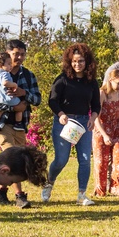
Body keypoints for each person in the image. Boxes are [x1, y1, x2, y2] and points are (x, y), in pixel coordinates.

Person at [43, 43, 101, 206]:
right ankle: (49, 182)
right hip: (65, 122)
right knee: (62, 159)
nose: (78, 64)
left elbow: (96, 105)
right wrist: (61, 115)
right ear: (70, 61)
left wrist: (93, 118)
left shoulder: (91, 82)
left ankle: (82, 194)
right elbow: (52, 100)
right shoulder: (62, 79)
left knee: (84, 160)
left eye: (81, 61)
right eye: (75, 61)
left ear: (87, 62)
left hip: (84, 123)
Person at [0, 39, 42, 209]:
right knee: (11, 155)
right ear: (7, 54)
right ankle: (20, 196)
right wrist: (15, 106)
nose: (18, 57)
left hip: (20, 124)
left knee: (14, 160)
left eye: (22, 54)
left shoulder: (28, 75)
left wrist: (23, 93)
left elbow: (38, 99)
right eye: (15, 54)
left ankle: (1, 192)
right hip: (1, 124)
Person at [92, 68, 119, 197]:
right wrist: (104, 135)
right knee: (101, 163)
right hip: (101, 130)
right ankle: (100, 191)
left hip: (115, 130)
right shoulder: (102, 93)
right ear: (111, 80)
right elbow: (96, 117)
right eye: (118, 83)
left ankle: (116, 189)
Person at [0, 52, 27, 136]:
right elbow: (5, 83)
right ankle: (18, 123)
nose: (11, 66)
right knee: (20, 107)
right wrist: (14, 85)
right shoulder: (5, 73)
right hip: (9, 97)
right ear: (1, 64)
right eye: (8, 64)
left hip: (0, 99)